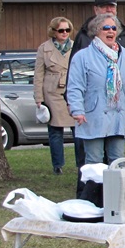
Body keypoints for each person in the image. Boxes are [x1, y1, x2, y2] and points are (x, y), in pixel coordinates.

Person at [66, 13, 125, 166]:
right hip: (93, 115)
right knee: (94, 161)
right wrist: (77, 110)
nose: (111, 31)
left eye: (114, 28)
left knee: (118, 161)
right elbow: (75, 86)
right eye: (106, 28)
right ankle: (93, 184)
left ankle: (115, 184)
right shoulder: (82, 56)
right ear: (96, 31)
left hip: (119, 115)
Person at [33, 16, 77, 175]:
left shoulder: (76, 46)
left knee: (78, 130)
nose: (65, 33)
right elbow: (38, 74)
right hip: (52, 91)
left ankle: (82, 163)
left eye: (67, 30)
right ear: (53, 31)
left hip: (72, 89)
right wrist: (39, 98)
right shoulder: (44, 48)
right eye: (61, 30)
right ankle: (57, 165)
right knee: (55, 131)